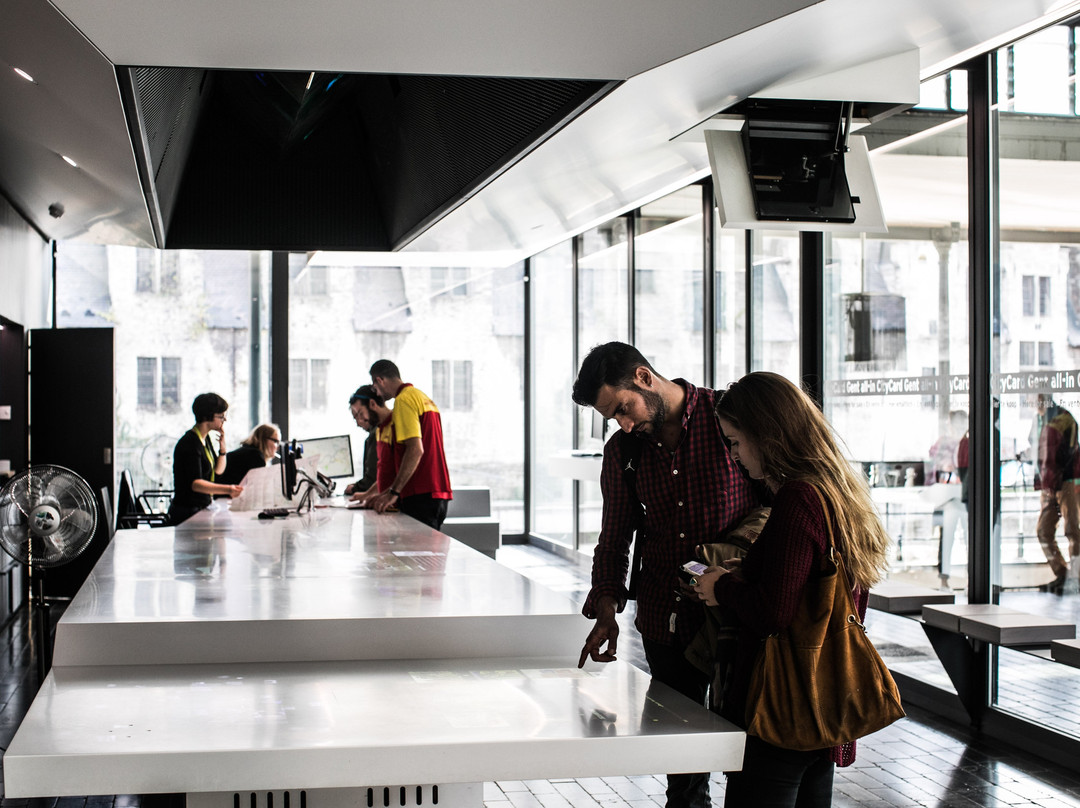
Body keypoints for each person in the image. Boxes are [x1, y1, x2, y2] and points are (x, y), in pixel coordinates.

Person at [692, 372, 890, 808]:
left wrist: (720, 587)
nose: (735, 455)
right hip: (822, 700)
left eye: (736, 442)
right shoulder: (835, 489)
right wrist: (755, 568)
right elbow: (819, 583)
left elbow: (773, 613)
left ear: (768, 435)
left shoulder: (798, 498)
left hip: (783, 707)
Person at [571, 342, 756, 808]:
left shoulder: (728, 419)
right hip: (663, 620)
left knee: (751, 750)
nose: (624, 424)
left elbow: (782, 498)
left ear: (644, 377)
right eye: (613, 417)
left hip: (738, 615)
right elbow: (614, 536)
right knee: (683, 763)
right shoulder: (623, 452)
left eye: (623, 408)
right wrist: (607, 609)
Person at [367, 359, 453, 528]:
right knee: (429, 553)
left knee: (418, 553)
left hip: (420, 493)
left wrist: (394, 492)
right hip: (438, 492)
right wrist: (386, 492)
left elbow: (415, 450)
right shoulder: (422, 398)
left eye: (375, 388)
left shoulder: (403, 401)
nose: (377, 394)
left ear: (379, 380)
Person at [1027, 393, 1080, 593]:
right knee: (1043, 531)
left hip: (1067, 481)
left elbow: (1069, 451)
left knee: (1073, 530)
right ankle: (1063, 574)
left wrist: (1054, 479)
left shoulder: (1064, 418)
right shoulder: (1039, 420)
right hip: (1049, 483)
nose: (1030, 400)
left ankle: (1075, 579)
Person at [167, 392, 244, 524]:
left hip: (200, 508)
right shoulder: (190, 443)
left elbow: (218, 471)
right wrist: (228, 489)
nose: (224, 420)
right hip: (187, 511)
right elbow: (196, 484)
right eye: (221, 416)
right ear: (208, 416)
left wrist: (223, 449)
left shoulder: (205, 439)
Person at [344, 385, 383, 497]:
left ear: (372, 405)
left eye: (360, 414)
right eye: (355, 417)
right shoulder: (378, 432)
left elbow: (373, 478)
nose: (358, 422)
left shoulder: (378, 434)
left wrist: (356, 488)